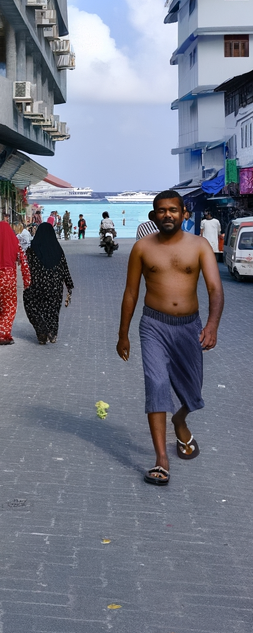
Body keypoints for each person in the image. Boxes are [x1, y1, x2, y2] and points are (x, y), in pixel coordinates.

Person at [117, 190, 222, 487]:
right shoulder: (142, 248)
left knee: (193, 389)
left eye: (173, 210)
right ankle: (161, 459)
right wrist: (122, 334)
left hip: (190, 326)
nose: (167, 215)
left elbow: (215, 288)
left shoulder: (200, 246)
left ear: (184, 213)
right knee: (157, 384)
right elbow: (131, 293)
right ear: (153, 216)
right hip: (153, 325)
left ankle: (179, 420)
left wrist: (212, 324)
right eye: (161, 211)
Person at [23, 223, 74, 344]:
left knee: (32, 305)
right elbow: (64, 268)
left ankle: (41, 331)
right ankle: (52, 333)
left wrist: (27, 283)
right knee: (52, 310)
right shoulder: (57, 249)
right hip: (55, 286)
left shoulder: (33, 249)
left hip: (37, 286)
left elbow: (28, 269)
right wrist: (69, 284)